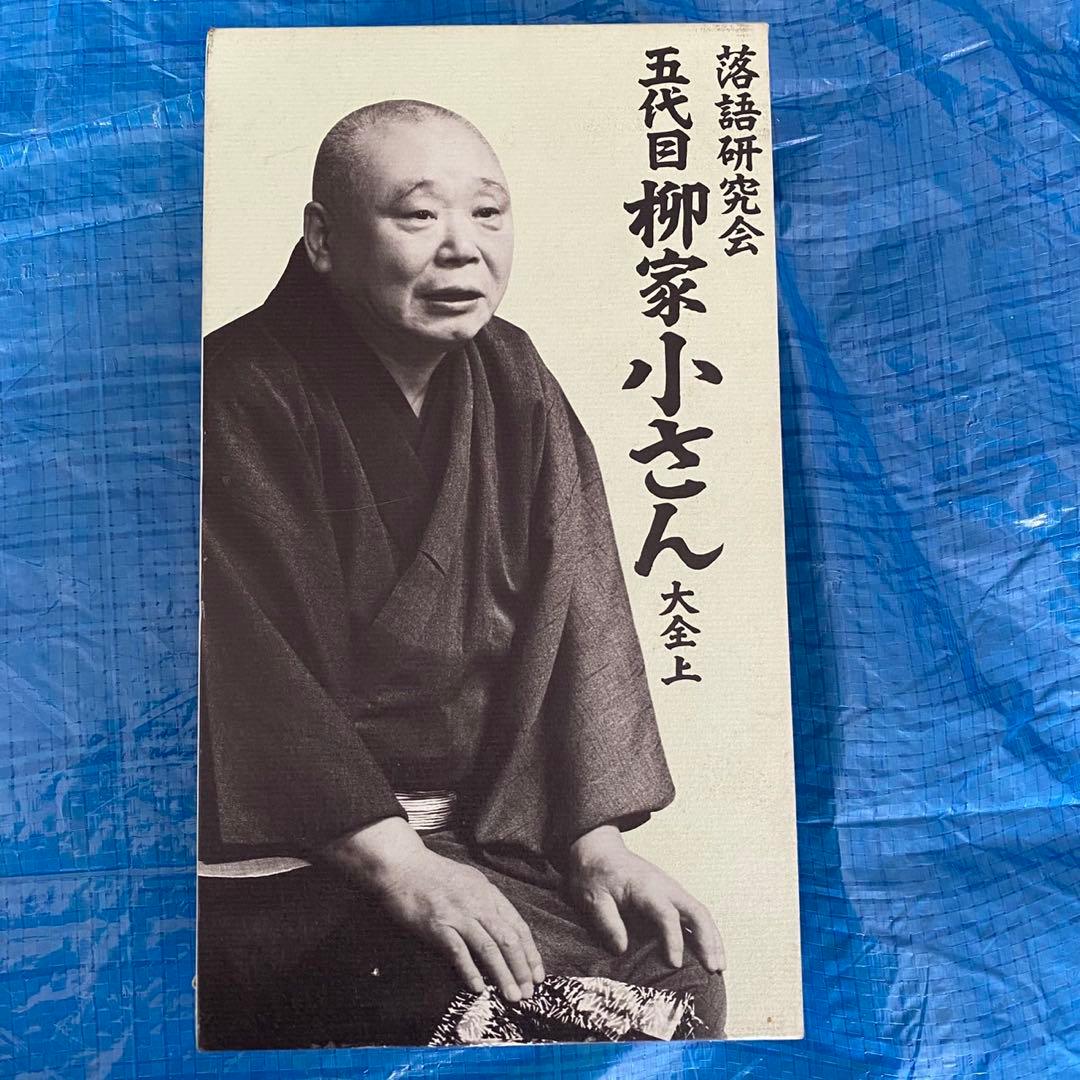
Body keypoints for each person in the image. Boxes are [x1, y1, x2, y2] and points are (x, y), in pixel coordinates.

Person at [196, 99, 726, 1048]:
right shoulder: (235, 388)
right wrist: (398, 863)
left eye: (487, 213)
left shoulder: (512, 376)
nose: (462, 248)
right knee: (481, 1010)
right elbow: (248, 672)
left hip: (474, 837)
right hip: (292, 857)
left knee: (667, 969)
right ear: (323, 239)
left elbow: (577, 619)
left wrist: (593, 839)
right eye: (418, 214)